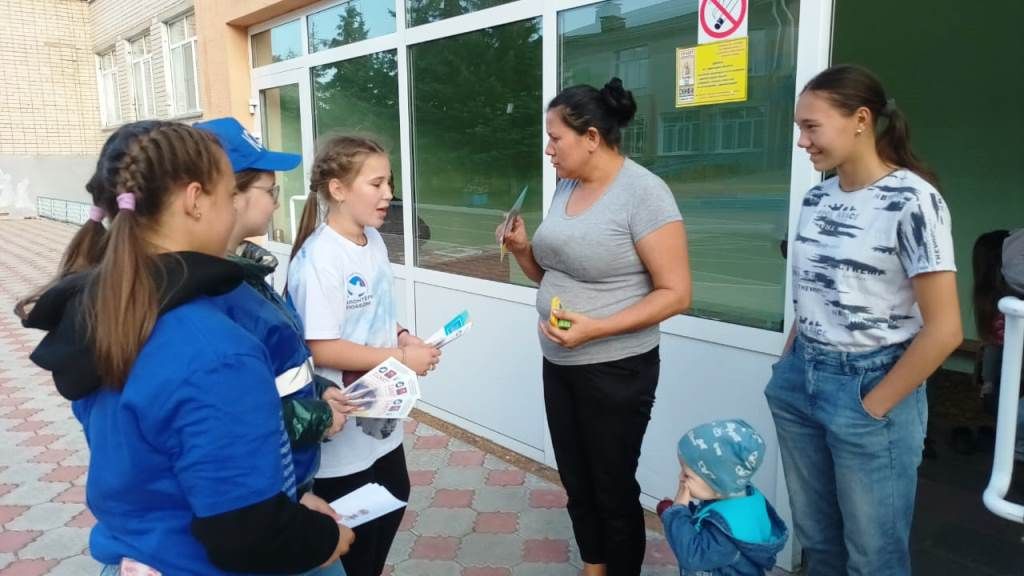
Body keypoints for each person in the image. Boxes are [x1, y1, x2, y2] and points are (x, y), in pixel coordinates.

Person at [16, 121, 353, 574]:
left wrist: (287, 496)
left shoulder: (108, 314)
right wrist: (327, 538)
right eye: (227, 196)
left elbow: (166, 468)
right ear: (195, 200)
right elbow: (248, 536)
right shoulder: (214, 352)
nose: (234, 211)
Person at [766, 65, 963, 575]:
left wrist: (872, 407)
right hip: (801, 381)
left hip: (871, 387)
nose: (801, 141)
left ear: (860, 120)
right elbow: (814, 295)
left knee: (873, 557)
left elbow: (945, 331)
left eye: (811, 127)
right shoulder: (817, 197)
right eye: (799, 128)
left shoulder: (913, 201)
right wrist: (788, 365)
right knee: (820, 544)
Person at [501, 77, 692, 576]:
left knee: (612, 486)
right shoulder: (567, 186)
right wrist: (523, 250)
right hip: (560, 361)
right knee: (578, 481)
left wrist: (596, 329)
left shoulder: (644, 193)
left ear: (590, 137)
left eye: (555, 137)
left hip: (615, 370)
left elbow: (676, 293)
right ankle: (594, 565)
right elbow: (553, 274)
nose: (548, 149)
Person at [287, 135, 441, 576]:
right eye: (376, 184)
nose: (388, 193)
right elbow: (321, 345)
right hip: (339, 441)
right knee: (352, 550)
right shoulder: (319, 259)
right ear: (338, 189)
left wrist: (405, 338)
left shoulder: (371, 241)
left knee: (389, 512)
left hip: (380, 428)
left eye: (388, 182)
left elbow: (378, 313)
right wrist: (397, 357)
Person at [196, 117, 351, 498]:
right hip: (260, 495)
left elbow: (274, 373)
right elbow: (231, 418)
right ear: (230, 196)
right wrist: (317, 418)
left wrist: (319, 389)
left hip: (289, 483)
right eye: (271, 190)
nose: (276, 202)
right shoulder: (210, 295)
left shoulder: (245, 276)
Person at [656, 420, 788, 575]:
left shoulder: (727, 532)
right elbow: (707, 519)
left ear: (718, 482)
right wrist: (686, 512)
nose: (680, 478)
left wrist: (677, 514)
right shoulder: (736, 496)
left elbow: (693, 556)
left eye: (687, 475)